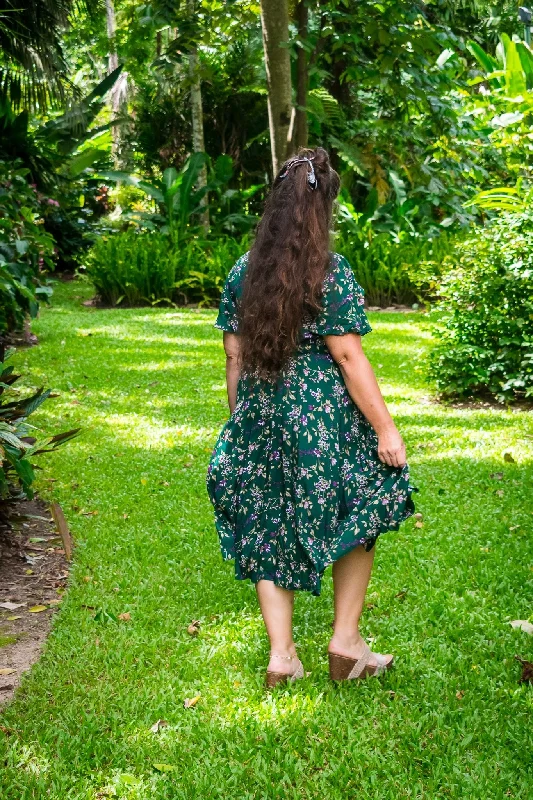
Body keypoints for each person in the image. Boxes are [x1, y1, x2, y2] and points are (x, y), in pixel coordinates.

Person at [206, 146, 417, 688]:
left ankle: (282, 657)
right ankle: (345, 643)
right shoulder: (329, 271)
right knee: (366, 497)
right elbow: (347, 356)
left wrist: (243, 421)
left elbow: (234, 357)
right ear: (322, 208)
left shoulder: (241, 273)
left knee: (267, 520)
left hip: (259, 405)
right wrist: (386, 429)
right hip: (321, 414)